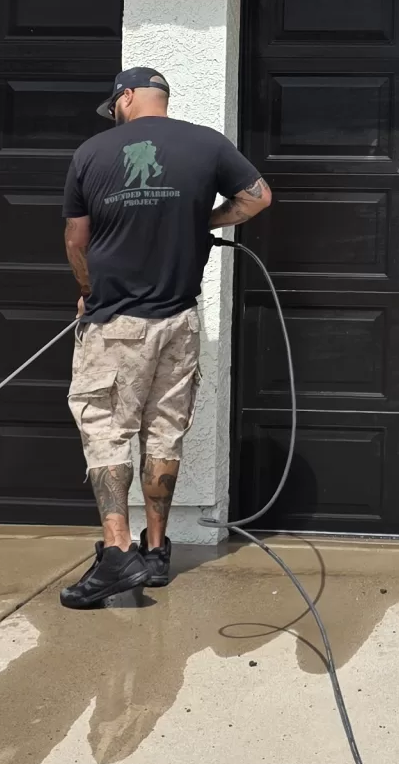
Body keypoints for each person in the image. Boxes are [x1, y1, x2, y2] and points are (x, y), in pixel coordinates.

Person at [57, 66, 271, 608]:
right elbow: (259, 198)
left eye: (117, 104)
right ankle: (155, 552)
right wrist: (205, 220)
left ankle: (117, 553)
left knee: (105, 429)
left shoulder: (92, 152)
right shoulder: (208, 144)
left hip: (115, 324)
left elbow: (75, 239)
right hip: (179, 320)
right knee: (163, 433)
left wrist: (86, 291)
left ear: (126, 97)